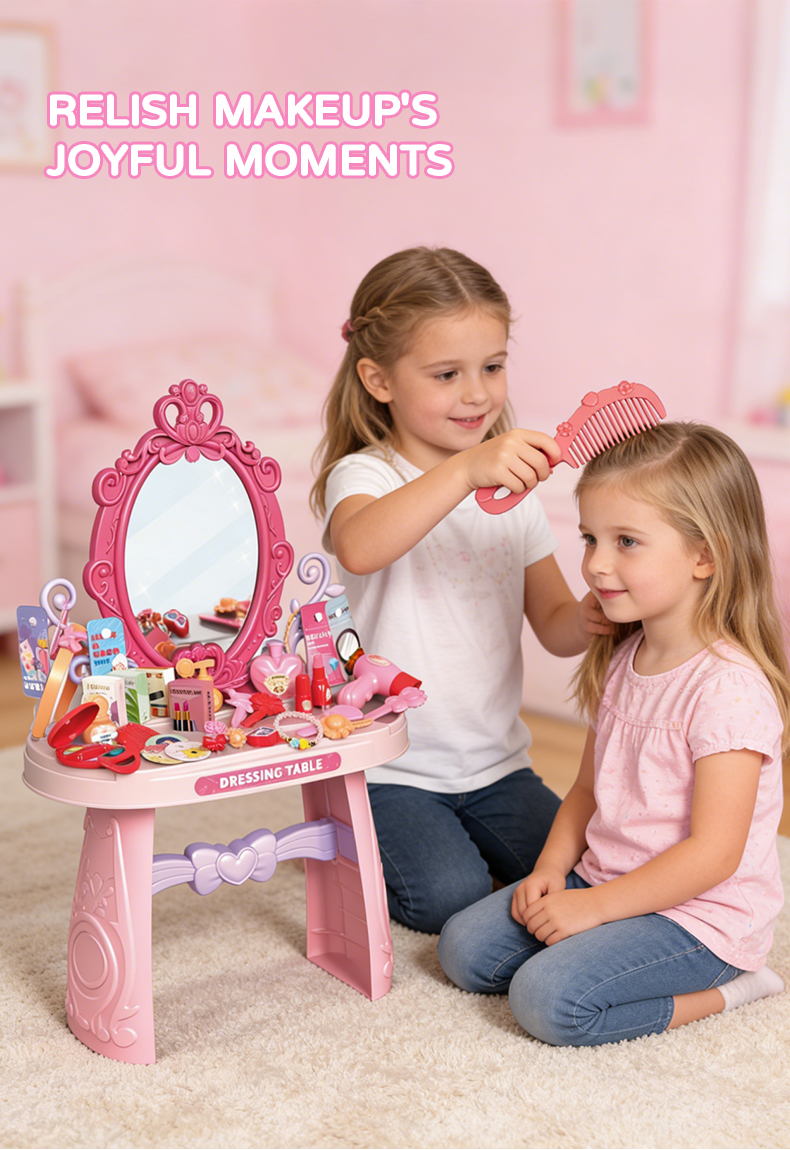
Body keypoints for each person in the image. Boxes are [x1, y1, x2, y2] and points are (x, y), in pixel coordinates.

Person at [438, 421, 788, 1046]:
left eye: (627, 541)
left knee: (548, 1001)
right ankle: (595, 931)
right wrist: (550, 871)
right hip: (606, 880)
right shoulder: (625, 658)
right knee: (464, 950)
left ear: (705, 555)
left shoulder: (728, 690)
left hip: (698, 915)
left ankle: (735, 986)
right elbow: (586, 793)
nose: (597, 564)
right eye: (590, 538)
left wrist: (591, 910)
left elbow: (714, 855)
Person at [310, 246, 610, 934]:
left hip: (496, 766)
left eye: (493, 367)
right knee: (446, 898)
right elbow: (360, 543)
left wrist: (597, 614)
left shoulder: (515, 494)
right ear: (378, 379)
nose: (477, 394)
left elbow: (556, 626)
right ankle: (348, 842)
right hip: (390, 770)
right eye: (447, 374)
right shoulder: (364, 477)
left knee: (585, 872)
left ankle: (446, 848)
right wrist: (467, 469)